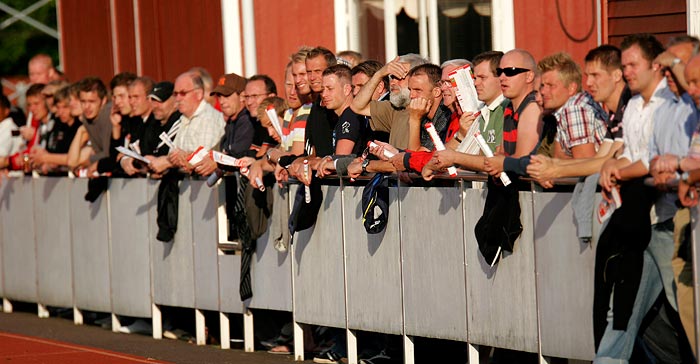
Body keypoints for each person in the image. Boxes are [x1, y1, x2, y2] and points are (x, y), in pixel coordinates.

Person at [595, 33, 697, 363]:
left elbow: (664, 161)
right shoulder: (640, 105)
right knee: (630, 307)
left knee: (683, 309)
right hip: (650, 222)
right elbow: (649, 157)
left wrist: (625, 170)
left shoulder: (679, 103)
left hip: (676, 219)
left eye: (631, 65)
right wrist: (615, 165)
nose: (626, 72)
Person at [527, 45, 631, 184]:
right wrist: (552, 166)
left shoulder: (575, 108)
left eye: (595, 75)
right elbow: (600, 160)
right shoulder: (615, 112)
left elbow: (596, 163)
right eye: (588, 76)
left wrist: (554, 170)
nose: (588, 82)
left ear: (617, 75)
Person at [166, 71, 226, 173]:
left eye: (183, 93)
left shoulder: (209, 119)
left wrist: (185, 157)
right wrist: (175, 158)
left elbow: (205, 160)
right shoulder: (182, 118)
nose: (178, 98)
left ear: (199, 94)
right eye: (175, 94)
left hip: (205, 185)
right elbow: (171, 153)